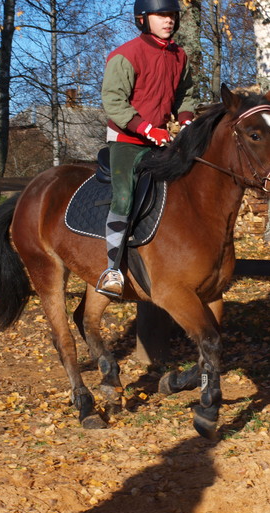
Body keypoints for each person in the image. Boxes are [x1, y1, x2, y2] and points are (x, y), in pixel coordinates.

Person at [97, 0, 195, 297]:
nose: (169, 20)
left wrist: (187, 121)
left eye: (172, 15)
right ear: (142, 18)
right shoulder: (125, 55)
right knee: (125, 196)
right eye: (161, 15)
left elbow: (185, 94)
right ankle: (112, 269)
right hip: (127, 141)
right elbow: (114, 101)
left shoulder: (180, 56)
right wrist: (145, 128)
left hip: (162, 140)